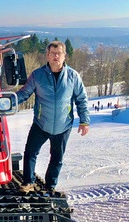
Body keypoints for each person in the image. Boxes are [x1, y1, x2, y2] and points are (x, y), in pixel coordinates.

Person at [16, 41, 90, 193]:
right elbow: (23, 94)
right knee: (30, 153)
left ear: (64, 56)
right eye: (53, 53)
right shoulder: (37, 75)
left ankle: (50, 186)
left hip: (63, 126)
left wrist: (84, 121)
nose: (56, 56)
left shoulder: (73, 76)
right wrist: (5, 101)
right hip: (41, 124)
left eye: (59, 53)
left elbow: (81, 99)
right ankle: (28, 182)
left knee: (57, 158)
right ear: (47, 56)